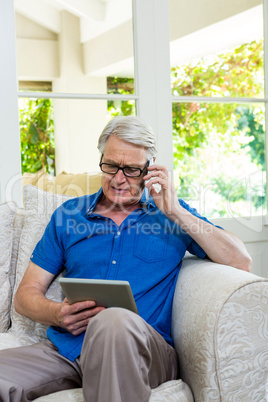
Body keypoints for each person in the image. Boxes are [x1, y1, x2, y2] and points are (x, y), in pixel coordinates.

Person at [0, 116, 251, 401]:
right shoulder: (69, 215)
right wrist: (57, 313)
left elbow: (241, 260)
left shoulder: (172, 215)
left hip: (143, 352)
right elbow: (25, 295)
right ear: (101, 159)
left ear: (150, 169)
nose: (119, 179)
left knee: (113, 321)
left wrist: (175, 211)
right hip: (69, 349)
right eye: (110, 166)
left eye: (131, 170)